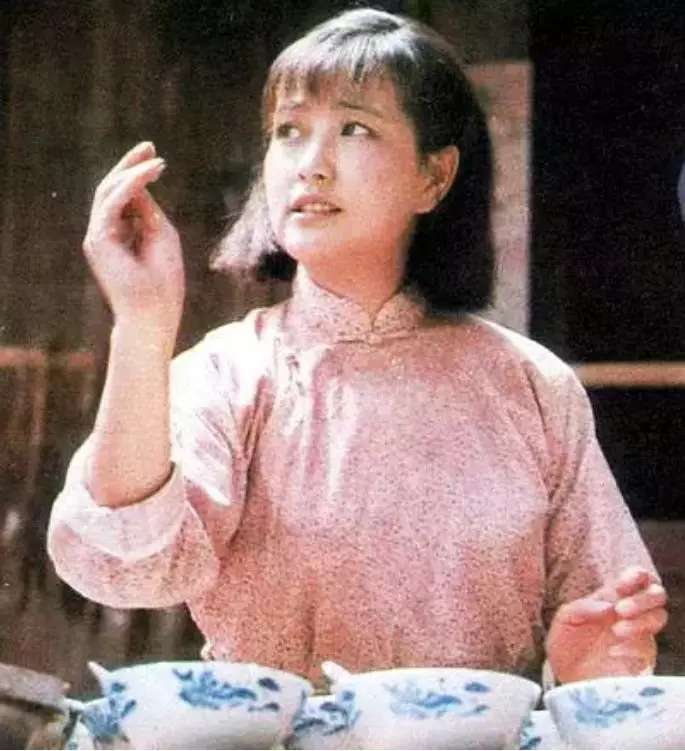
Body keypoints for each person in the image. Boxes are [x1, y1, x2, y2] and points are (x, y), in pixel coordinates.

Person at [48, 8, 667, 686]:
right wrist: (142, 323)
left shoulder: (531, 384)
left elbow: (607, 634)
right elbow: (126, 565)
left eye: (354, 128)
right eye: (289, 131)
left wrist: (586, 667)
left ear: (434, 177)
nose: (310, 165)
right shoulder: (228, 374)